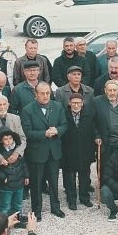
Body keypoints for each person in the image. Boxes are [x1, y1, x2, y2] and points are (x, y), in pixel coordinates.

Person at [20, 82, 68, 219]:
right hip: (37, 152)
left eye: (48, 93)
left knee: (54, 181)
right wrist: (43, 134)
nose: (45, 96)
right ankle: (36, 211)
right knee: (36, 183)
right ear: (36, 94)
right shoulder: (28, 110)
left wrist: (57, 130)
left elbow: (64, 124)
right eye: (42, 93)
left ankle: (55, 207)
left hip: (54, 151)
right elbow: (27, 132)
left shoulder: (57, 106)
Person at [61, 93, 96, 209]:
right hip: (68, 150)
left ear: (82, 103)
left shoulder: (89, 114)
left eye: (79, 103)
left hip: (85, 150)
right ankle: (71, 200)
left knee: (85, 175)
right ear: (69, 103)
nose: (76, 105)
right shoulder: (64, 115)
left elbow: (94, 130)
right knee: (69, 177)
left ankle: (84, 197)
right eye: (74, 103)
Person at [0, 128, 29, 217]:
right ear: (1, 141)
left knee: (18, 205)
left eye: (10, 138)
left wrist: (26, 176)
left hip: (19, 183)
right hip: (7, 186)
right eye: (5, 139)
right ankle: (4, 224)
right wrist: (4, 178)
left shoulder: (17, 150)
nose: (8, 141)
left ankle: (17, 220)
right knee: (5, 207)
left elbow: (24, 164)